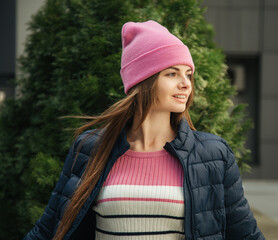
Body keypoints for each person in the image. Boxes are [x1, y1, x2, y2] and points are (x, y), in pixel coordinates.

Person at [24, 20, 265, 240]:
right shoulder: (90, 148)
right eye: (172, 73)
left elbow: (245, 235)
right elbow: (47, 230)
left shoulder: (213, 154)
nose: (186, 84)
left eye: (188, 74)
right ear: (143, 80)